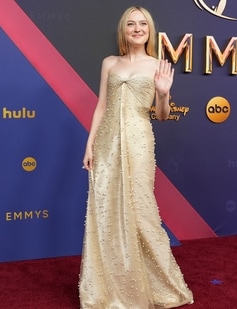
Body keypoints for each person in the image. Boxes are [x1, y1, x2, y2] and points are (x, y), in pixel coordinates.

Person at [79, 6, 194, 309]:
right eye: (131, 24)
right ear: (124, 30)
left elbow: (161, 115)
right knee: (106, 211)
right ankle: (109, 289)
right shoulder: (109, 63)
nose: (137, 28)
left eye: (143, 24)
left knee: (140, 210)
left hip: (139, 141)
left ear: (149, 30)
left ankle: (161, 286)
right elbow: (101, 106)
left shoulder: (158, 66)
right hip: (106, 143)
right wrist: (90, 144)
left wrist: (164, 93)